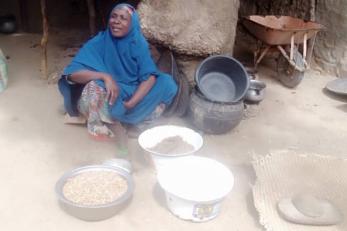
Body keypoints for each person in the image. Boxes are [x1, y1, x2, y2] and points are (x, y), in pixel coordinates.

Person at [58, 3, 178, 140]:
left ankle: (140, 122)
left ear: (132, 23)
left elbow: (149, 76)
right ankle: (97, 126)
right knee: (93, 88)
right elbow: (72, 75)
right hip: (109, 94)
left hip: (133, 90)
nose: (116, 21)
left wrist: (132, 102)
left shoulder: (138, 43)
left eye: (123, 18)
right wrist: (105, 76)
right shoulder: (99, 42)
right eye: (114, 16)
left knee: (167, 83)